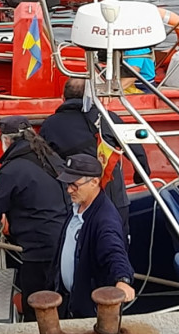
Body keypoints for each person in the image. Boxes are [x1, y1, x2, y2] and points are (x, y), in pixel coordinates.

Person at [0, 116, 70, 321]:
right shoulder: (51, 156)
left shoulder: (11, 170)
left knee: (35, 302)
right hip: (66, 237)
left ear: (6, 140)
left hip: (39, 247)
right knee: (61, 295)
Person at [40, 78, 149, 238]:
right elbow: (136, 151)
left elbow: (43, 162)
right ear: (91, 96)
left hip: (74, 199)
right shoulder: (108, 117)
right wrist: (141, 176)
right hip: (113, 196)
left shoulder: (49, 125)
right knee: (116, 245)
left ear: (63, 98)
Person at [53, 154, 135, 318]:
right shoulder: (77, 206)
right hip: (68, 301)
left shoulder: (105, 219)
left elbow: (113, 250)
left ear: (94, 182)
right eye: (68, 184)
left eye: (75, 185)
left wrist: (123, 280)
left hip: (88, 311)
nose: (69, 190)